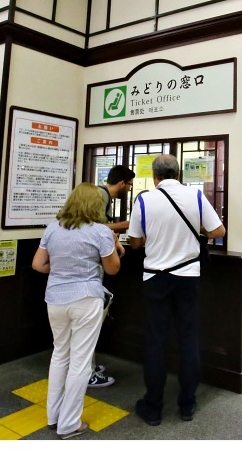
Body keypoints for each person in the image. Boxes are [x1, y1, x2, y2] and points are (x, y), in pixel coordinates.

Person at [126, 154, 226, 426]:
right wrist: (198, 233)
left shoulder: (144, 200)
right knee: (188, 338)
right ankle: (187, 404)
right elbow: (219, 230)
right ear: (178, 173)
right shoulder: (194, 197)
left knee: (156, 340)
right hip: (188, 276)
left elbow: (135, 243)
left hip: (155, 278)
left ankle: (154, 406)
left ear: (155, 177)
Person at [32, 183, 122, 440]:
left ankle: (53, 415)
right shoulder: (100, 232)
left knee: (60, 353)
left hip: (55, 298)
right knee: (80, 361)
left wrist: (62, 272)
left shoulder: (53, 228)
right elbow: (113, 269)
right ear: (97, 205)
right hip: (86, 298)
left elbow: (38, 264)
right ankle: (69, 423)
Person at [89, 164, 135, 389]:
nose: (129, 189)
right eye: (129, 185)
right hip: (88, 280)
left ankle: (87, 366)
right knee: (87, 328)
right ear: (122, 183)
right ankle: (86, 372)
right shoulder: (101, 196)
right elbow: (99, 228)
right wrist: (127, 225)